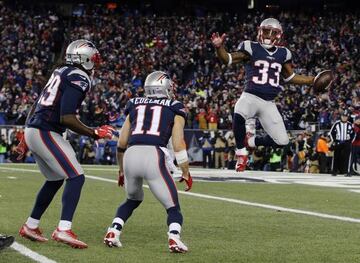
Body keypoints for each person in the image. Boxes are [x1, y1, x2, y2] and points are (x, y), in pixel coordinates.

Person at [15, 40, 115, 249]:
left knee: (55, 179)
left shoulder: (60, 71)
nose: (95, 63)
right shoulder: (79, 77)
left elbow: (37, 104)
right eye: (94, 59)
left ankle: (31, 225)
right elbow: (66, 117)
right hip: (46, 131)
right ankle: (63, 229)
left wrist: (26, 134)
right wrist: (94, 133)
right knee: (76, 177)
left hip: (36, 129)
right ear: (85, 58)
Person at [211, 18, 330, 172]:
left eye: (273, 32)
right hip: (250, 96)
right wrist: (219, 47)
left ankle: (252, 141)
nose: (268, 35)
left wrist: (312, 80)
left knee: (282, 141)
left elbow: (290, 77)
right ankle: (241, 153)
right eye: (266, 31)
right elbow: (227, 59)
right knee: (238, 114)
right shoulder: (250, 47)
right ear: (260, 31)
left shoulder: (283, 53)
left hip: (269, 103)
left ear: (279, 35)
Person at [103, 71, 192, 253]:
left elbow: (121, 143)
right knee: (173, 207)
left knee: (132, 199)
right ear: (165, 88)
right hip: (153, 154)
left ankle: (113, 231)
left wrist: (121, 170)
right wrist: (186, 171)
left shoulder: (135, 104)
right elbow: (178, 144)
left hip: (131, 154)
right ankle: (174, 238)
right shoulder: (175, 106)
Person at [329, 110, 355, 176]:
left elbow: (354, 134)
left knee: (347, 157)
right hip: (338, 142)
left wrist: (350, 142)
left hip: (347, 142)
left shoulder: (350, 124)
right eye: (343, 116)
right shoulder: (336, 123)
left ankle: (347, 171)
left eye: (345, 116)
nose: (344, 118)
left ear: (347, 117)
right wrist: (334, 141)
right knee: (336, 156)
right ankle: (334, 171)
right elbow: (331, 133)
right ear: (341, 116)